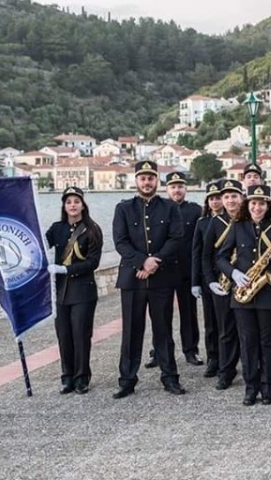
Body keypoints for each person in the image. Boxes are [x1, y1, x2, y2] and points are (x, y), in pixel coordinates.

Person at [112, 161, 186, 399]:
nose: (147, 182)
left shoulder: (169, 207)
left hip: (162, 278)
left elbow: (176, 237)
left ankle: (170, 378)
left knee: (163, 330)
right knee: (131, 331)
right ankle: (127, 380)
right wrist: (143, 261)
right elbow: (120, 241)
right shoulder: (123, 208)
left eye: (151, 178)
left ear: (157, 181)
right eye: (142, 178)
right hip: (132, 279)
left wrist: (156, 261)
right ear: (136, 181)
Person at [216, 184, 271, 406]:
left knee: (267, 343)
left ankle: (268, 389)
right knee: (248, 342)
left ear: (268, 206)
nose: (257, 207)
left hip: (268, 292)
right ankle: (251, 389)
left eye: (261, 203)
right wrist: (234, 274)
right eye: (253, 203)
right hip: (242, 293)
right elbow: (220, 257)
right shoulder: (238, 226)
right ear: (247, 205)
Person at [46, 186, 103, 395]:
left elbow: (93, 262)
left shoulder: (92, 229)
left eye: (76, 201)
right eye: (68, 202)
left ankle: (81, 377)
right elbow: (41, 244)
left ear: (83, 204)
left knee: (80, 335)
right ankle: (67, 378)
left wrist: (65, 269)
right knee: (64, 336)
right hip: (60, 291)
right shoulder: (57, 228)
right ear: (64, 205)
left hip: (83, 291)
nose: (72, 205)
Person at [203, 179, 245, 390]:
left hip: (246, 282)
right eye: (226, 196)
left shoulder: (249, 219)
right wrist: (210, 281)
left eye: (234, 196)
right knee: (225, 331)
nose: (229, 200)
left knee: (246, 330)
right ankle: (226, 372)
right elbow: (205, 255)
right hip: (222, 283)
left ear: (242, 198)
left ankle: (250, 369)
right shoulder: (215, 222)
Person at [165, 171, 203, 366]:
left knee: (188, 313)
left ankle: (191, 350)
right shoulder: (160, 209)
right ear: (167, 189)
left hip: (187, 269)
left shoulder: (196, 211)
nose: (177, 190)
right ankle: (160, 350)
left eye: (180, 186)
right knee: (161, 315)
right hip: (164, 270)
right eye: (173, 187)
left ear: (185, 189)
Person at [191, 180, 224, 377]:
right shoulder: (202, 223)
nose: (214, 202)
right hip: (208, 276)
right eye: (211, 198)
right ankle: (214, 357)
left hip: (227, 275)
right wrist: (196, 281)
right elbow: (197, 253)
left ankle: (229, 357)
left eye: (218, 197)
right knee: (211, 321)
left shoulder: (233, 221)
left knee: (228, 321)